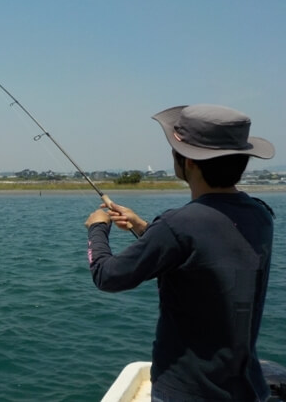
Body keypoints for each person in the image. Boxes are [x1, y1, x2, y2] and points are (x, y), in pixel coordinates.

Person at [84, 104, 275, 401]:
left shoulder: (177, 225)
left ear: (188, 161)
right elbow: (201, 254)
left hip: (187, 392)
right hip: (247, 389)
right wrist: (142, 226)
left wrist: (97, 229)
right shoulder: (261, 215)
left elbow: (107, 276)